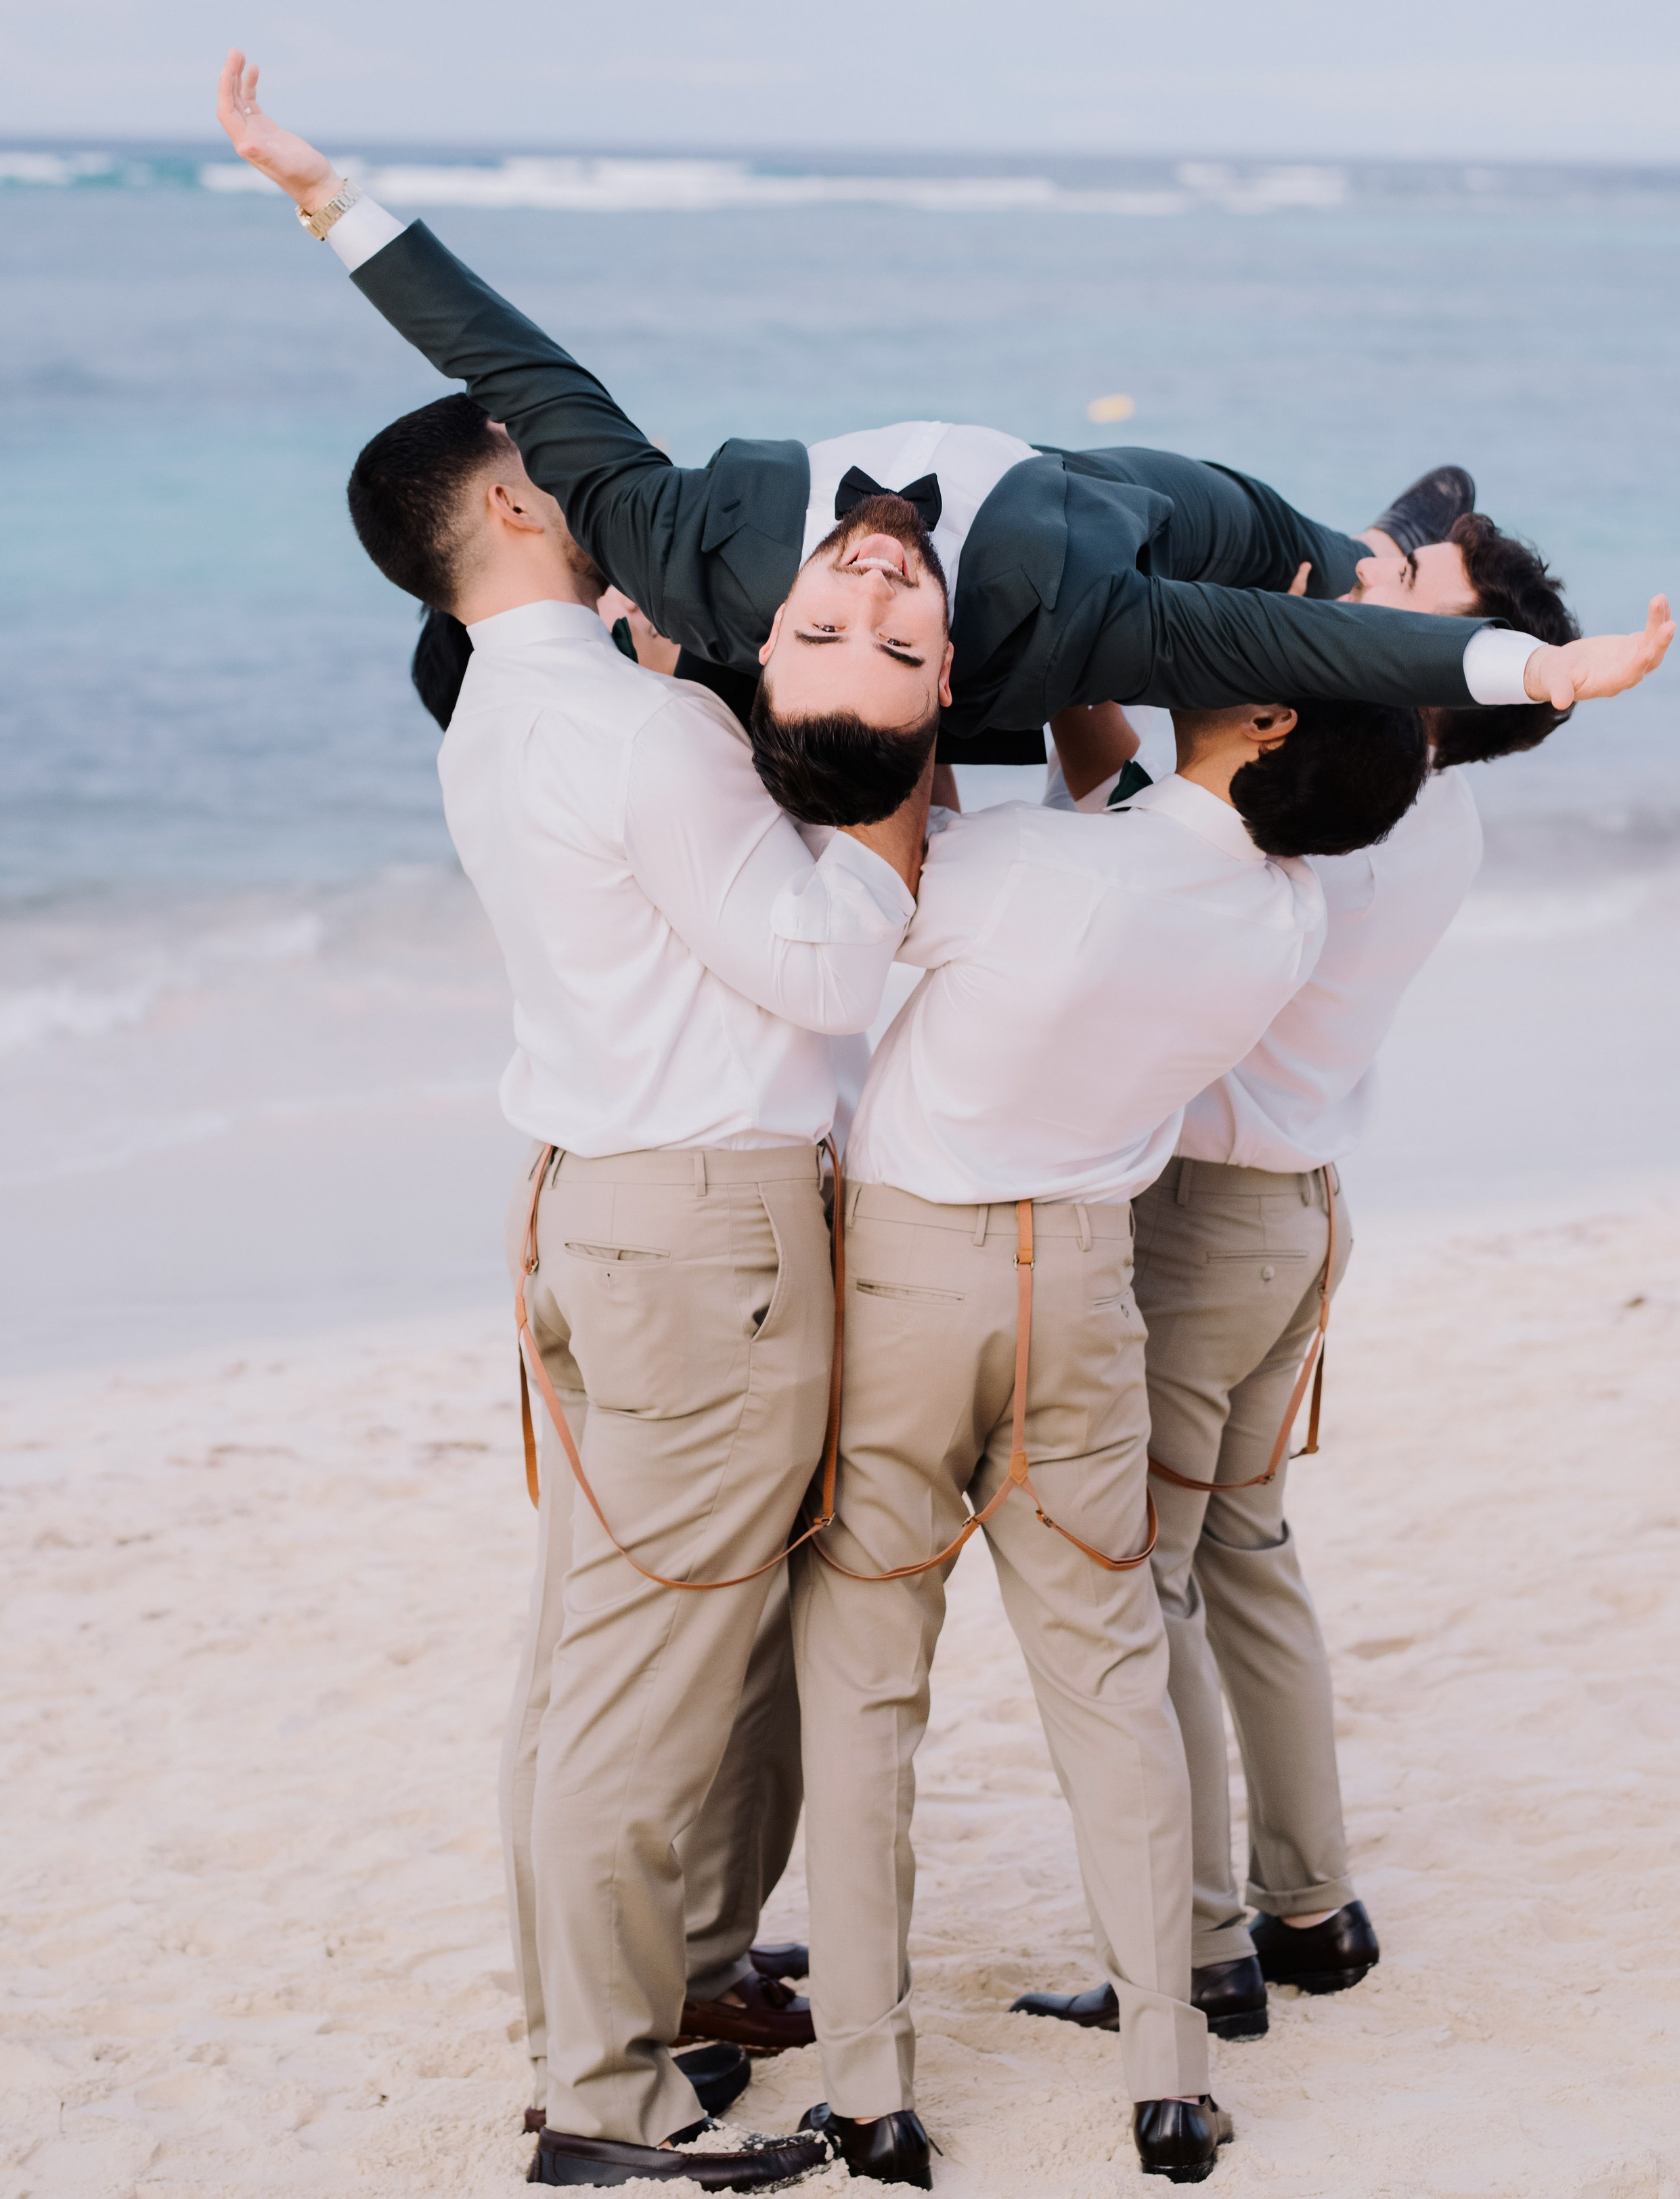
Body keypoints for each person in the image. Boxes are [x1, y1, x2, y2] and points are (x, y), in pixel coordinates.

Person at [214, 53, 1676, 829]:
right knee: (1324, 598)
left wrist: (322, 195)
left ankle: (1397, 563)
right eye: (896, 638)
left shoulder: (684, 545)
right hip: (1195, 527)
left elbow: (508, 360)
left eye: (824, 626)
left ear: (765, 633)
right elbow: (1313, 644)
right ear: (950, 663)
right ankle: (1390, 566)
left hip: (828, 610)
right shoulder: (1085, 626)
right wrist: (1540, 669)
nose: (870, 585)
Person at [344, 387, 922, 2189]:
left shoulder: (496, 712)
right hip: (705, 1230)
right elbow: (824, 973)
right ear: (519, 504)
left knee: (597, 1655)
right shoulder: (638, 727)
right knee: (640, 1677)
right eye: (566, 462)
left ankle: (652, 1994)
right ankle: (604, 2095)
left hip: (595, 1211)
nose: (612, 476)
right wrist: (889, 803)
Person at [788, 687, 1428, 2187]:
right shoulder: (1284, 919)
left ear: (1265, 723)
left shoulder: (1039, 864)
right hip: (1085, 1282)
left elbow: (877, 880)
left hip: (913, 1274)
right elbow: (1120, 832)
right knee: (1112, 1673)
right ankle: (1171, 2076)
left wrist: (909, 702)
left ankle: (871, 2089)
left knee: (869, 1676)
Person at [1010, 722, 1490, 2046]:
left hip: (1201, 1225)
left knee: (1148, 1575)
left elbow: (1130, 860)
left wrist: (1086, 711)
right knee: (1249, 1550)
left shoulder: (1311, 826)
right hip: (1301, 1206)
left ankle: (1198, 1940)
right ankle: (1312, 1905)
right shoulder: (1435, 811)